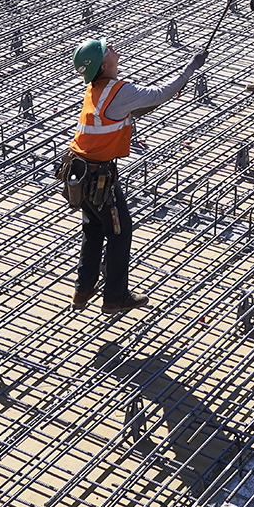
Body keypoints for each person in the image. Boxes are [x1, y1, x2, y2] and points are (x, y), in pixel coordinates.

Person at [66, 36, 205, 314]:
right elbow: (159, 94)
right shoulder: (118, 91)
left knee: (94, 228)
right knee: (120, 231)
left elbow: (127, 112)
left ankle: (83, 289)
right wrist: (190, 68)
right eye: (107, 49)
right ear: (103, 65)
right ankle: (114, 297)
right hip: (99, 178)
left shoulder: (96, 89)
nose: (112, 47)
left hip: (79, 173)